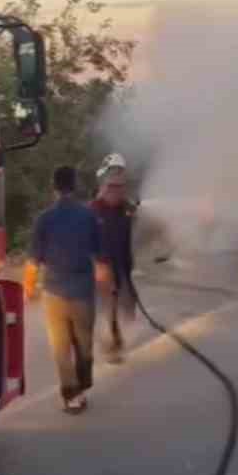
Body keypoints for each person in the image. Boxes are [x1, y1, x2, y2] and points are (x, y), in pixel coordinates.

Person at [24, 164, 102, 414]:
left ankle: (72, 396)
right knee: (84, 344)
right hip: (82, 292)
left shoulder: (44, 219)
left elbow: (33, 259)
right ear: (75, 185)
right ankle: (81, 384)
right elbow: (100, 254)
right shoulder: (88, 216)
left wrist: (28, 288)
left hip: (53, 293)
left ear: (54, 188)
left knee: (60, 347)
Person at [92, 154, 138, 363]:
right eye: (112, 186)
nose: (117, 190)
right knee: (108, 304)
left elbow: (133, 231)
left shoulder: (127, 209)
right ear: (103, 185)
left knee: (127, 305)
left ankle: (113, 338)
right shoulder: (93, 211)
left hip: (122, 264)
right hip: (101, 266)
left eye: (120, 186)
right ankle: (112, 344)